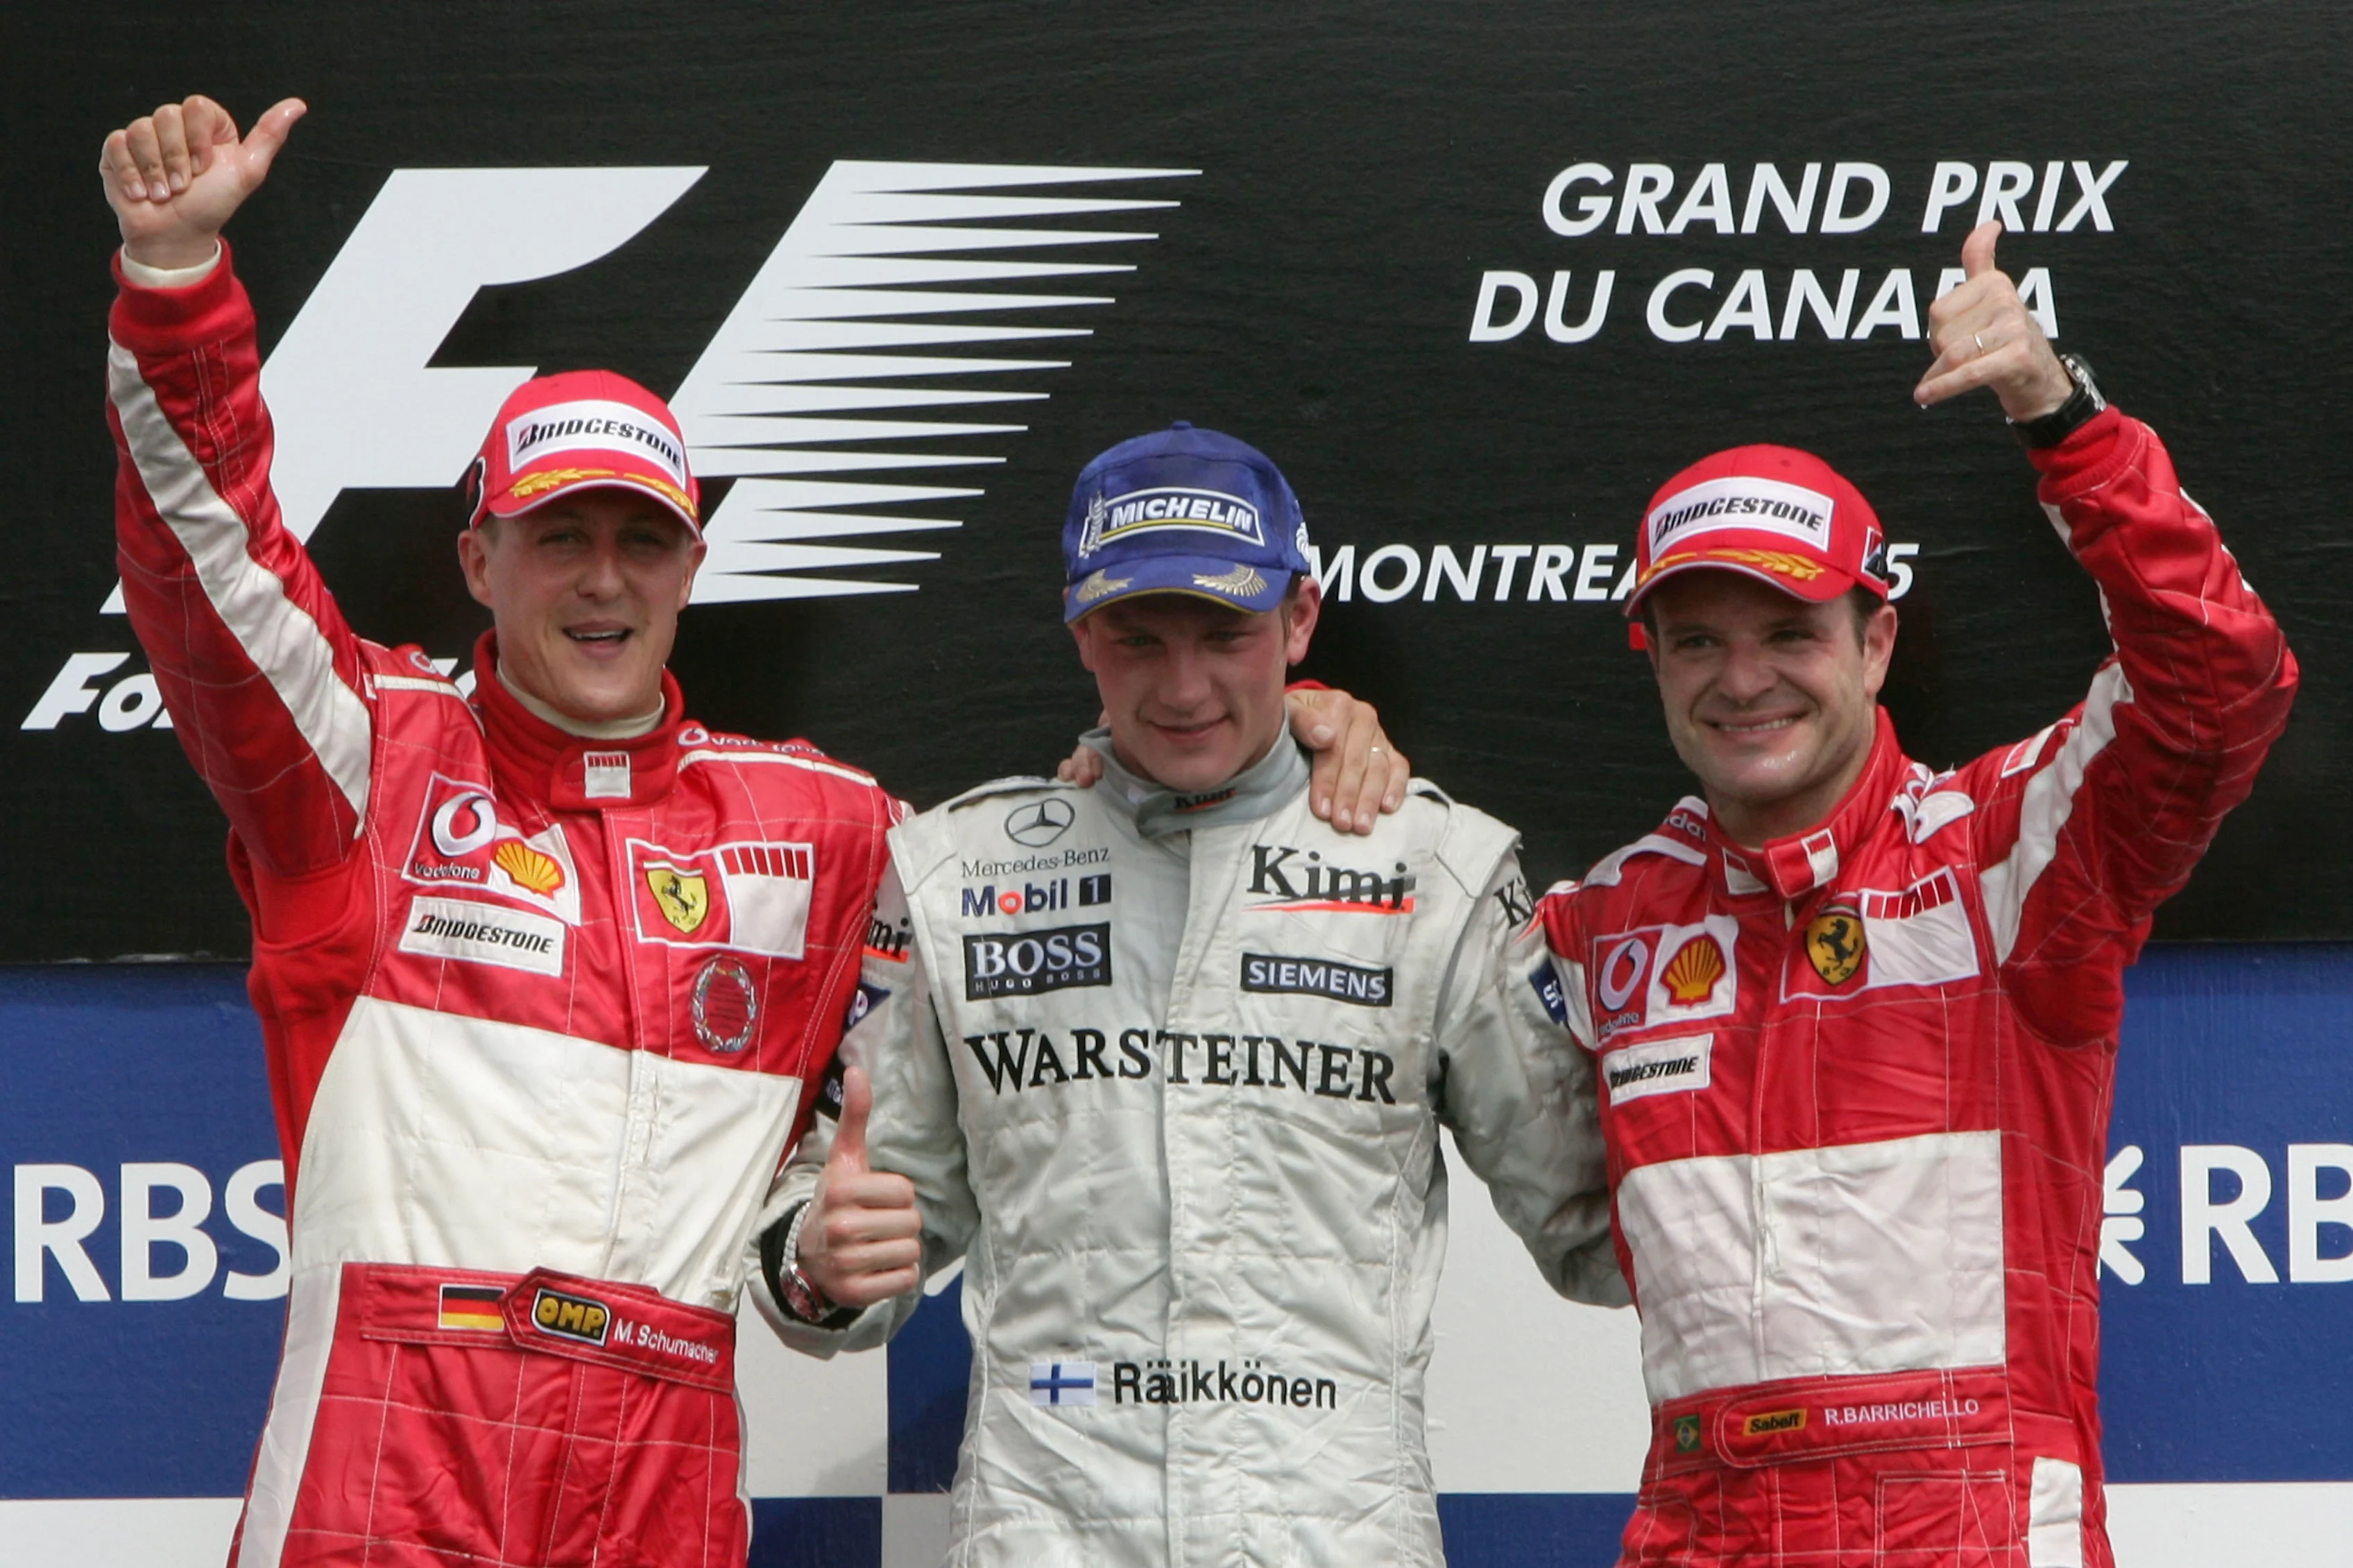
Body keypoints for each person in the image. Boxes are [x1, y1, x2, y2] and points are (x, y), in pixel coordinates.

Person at [98, 95, 1403, 1568]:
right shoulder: (363, 761)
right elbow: (208, 562)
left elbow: (1070, 850)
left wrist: (1294, 725)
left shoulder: (825, 825)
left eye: (641, 537)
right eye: (559, 536)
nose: (604, 579)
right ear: (479, 557)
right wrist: (177, 287)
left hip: (666, 1472)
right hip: (394, 1461)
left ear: (693, 563)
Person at [1532, 224, 2296, 1567]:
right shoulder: (1603, 923)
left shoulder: (2005, 861)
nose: (1743, 677)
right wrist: (1285, 747)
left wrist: (2062, 417)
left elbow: (2219, 686)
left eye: (1790, 633)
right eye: (1698, 639)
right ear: (1652, 663)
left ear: (1877, 642)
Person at [751, 422, 1626, 1566]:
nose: (1182, 684)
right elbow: (833, 1235)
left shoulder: (1436, 872)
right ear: (1081, 633)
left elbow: (1605, 1228)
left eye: (1226, 633)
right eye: (1137, 637)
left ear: (1300, 620)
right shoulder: (957, 877)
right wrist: (816, 1264)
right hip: (1044, 1538)